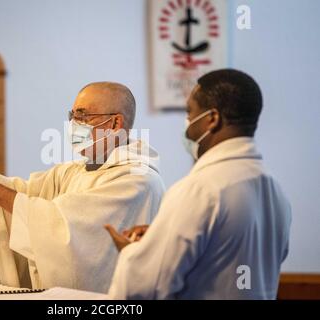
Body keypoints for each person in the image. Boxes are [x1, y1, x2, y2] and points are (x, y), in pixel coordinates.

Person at [0, 82, 165, 293]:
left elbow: (60, 224)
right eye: (72, 116)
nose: (75, 125)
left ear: (115, 123)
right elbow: (25, 193)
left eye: (84, 116)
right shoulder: (73, 171)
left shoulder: (136, 180)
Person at [105, 69, 292, 299]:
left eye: (189, 113)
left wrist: (134, 252)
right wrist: (162, 237)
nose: (187, 125)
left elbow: (145, 289)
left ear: (211, 119)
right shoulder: (275, 191)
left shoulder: (200, 189)